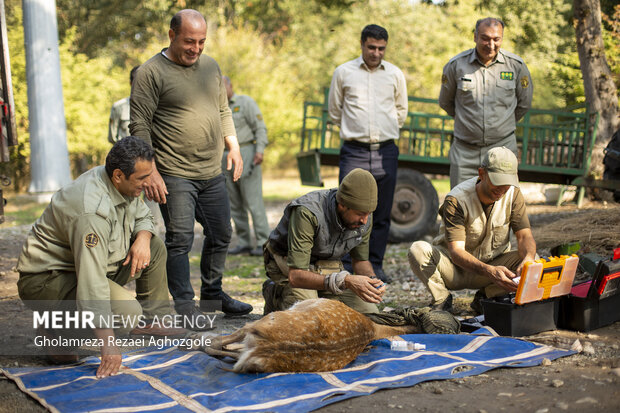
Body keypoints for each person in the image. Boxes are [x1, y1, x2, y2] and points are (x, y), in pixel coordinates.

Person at [16, 136, 185, 378]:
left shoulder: (122, 181)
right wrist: (109, 344)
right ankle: (55, 330)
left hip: (87, 265)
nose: (148, 183)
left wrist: (144, 239)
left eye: (149, 175)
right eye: (142, 179)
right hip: (47, 281)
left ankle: (153, 322)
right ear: (118, 175)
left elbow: (143, 217)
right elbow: (91, 282)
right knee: (127, 314)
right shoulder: (91, 212)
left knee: (154, 246)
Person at [130, 9, 253, 319]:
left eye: (201, 42)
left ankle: (212, 299)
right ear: (172, 35)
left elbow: (223, 110)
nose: (195, 49)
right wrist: (150, 171)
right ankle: (186, 307)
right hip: (173, 173)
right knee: (180, 238)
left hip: (211, 171)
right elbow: (140, 125)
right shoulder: (151, 73)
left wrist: (233, 146)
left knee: (222, 233)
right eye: (188, 41)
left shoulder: (210, 67)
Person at [407, 146, 537, 314]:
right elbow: (456, 252)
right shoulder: (457, 199)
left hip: (493, 268)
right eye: (497, 181)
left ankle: (486, 298)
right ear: (481, 173)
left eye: (507, 183)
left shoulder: (513, 194)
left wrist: (528, 257)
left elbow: (524, 235)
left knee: (533, 260)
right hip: (455, 269)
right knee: (417, 250)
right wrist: (489, 271)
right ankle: (442, 299)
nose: (502, 189)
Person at [328, 24, 408, 283]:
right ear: (362, 44)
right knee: (347, 210)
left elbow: (401, 110)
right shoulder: (344, 72)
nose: (376, 53)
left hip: (385, 150)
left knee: (382, 212)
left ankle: (375, 264)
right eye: (371, 47)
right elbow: (334, 110)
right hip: (354, 151)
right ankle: (349, 264)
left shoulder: (395, 74)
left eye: (381, 48)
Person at [262, 168, 385, 315]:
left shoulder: (363, 217)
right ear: (342, 204)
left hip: (326, 265)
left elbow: (360, 262)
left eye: (368, 214)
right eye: (360, 214)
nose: (364, 220)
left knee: (371, 315)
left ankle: (318, 294)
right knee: (310, 316)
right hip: (290, 265)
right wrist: (345, 281)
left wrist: (372, 282)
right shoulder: (307, 212)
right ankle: (276, 293)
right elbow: (296, 275)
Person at [439, 17, 533, 188]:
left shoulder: (516, 66)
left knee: (503, 207)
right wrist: (469, 123)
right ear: (475, 36)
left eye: (496, 39)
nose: (491, 45)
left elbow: (524, 104)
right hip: (465, 150)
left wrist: (500, 124)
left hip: (502, 148)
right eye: (485, 38)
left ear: (502, 38)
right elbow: (446, 102)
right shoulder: (456, 65)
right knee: (461, 206)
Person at [222, 76, 270, 257]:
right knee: (234, 202)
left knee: (253, 200)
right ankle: (243, 242)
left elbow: (260, 127)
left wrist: (260, 150)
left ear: (230, 86)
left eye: (222, 85)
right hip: (224, 156)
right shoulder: (217, 107)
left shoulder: (244, 102)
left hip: (246, 151)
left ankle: (264, 241)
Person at [108, 66, 140, 144]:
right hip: (125, 153)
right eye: (138, 82)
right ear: (131, 83)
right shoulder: (119, 107)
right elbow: (112, 137)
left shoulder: (158, 107)